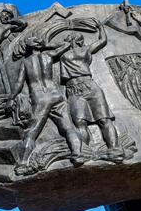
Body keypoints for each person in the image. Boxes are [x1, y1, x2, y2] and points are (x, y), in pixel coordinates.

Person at [10, 36, 85, 171]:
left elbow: (19, 83)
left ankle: (22, 164)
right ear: (39, 46)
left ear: (29, 47)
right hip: (56, 94)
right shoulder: (48, 54)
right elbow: (65, 46)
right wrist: (47, 45)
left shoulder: (26, 62)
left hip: (40, 98)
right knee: (68, 128)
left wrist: (11, 98)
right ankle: (78, 155)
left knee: (32, 132)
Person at [61, 24, 124, 162]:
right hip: (73, 90)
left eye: (72, 38)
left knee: (104, 120)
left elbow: (102, 40)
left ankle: (115, 149)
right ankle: (84, 152)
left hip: (90, 86)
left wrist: (101, 27)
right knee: (79, 123)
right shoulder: (62, 52)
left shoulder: (86, 49)